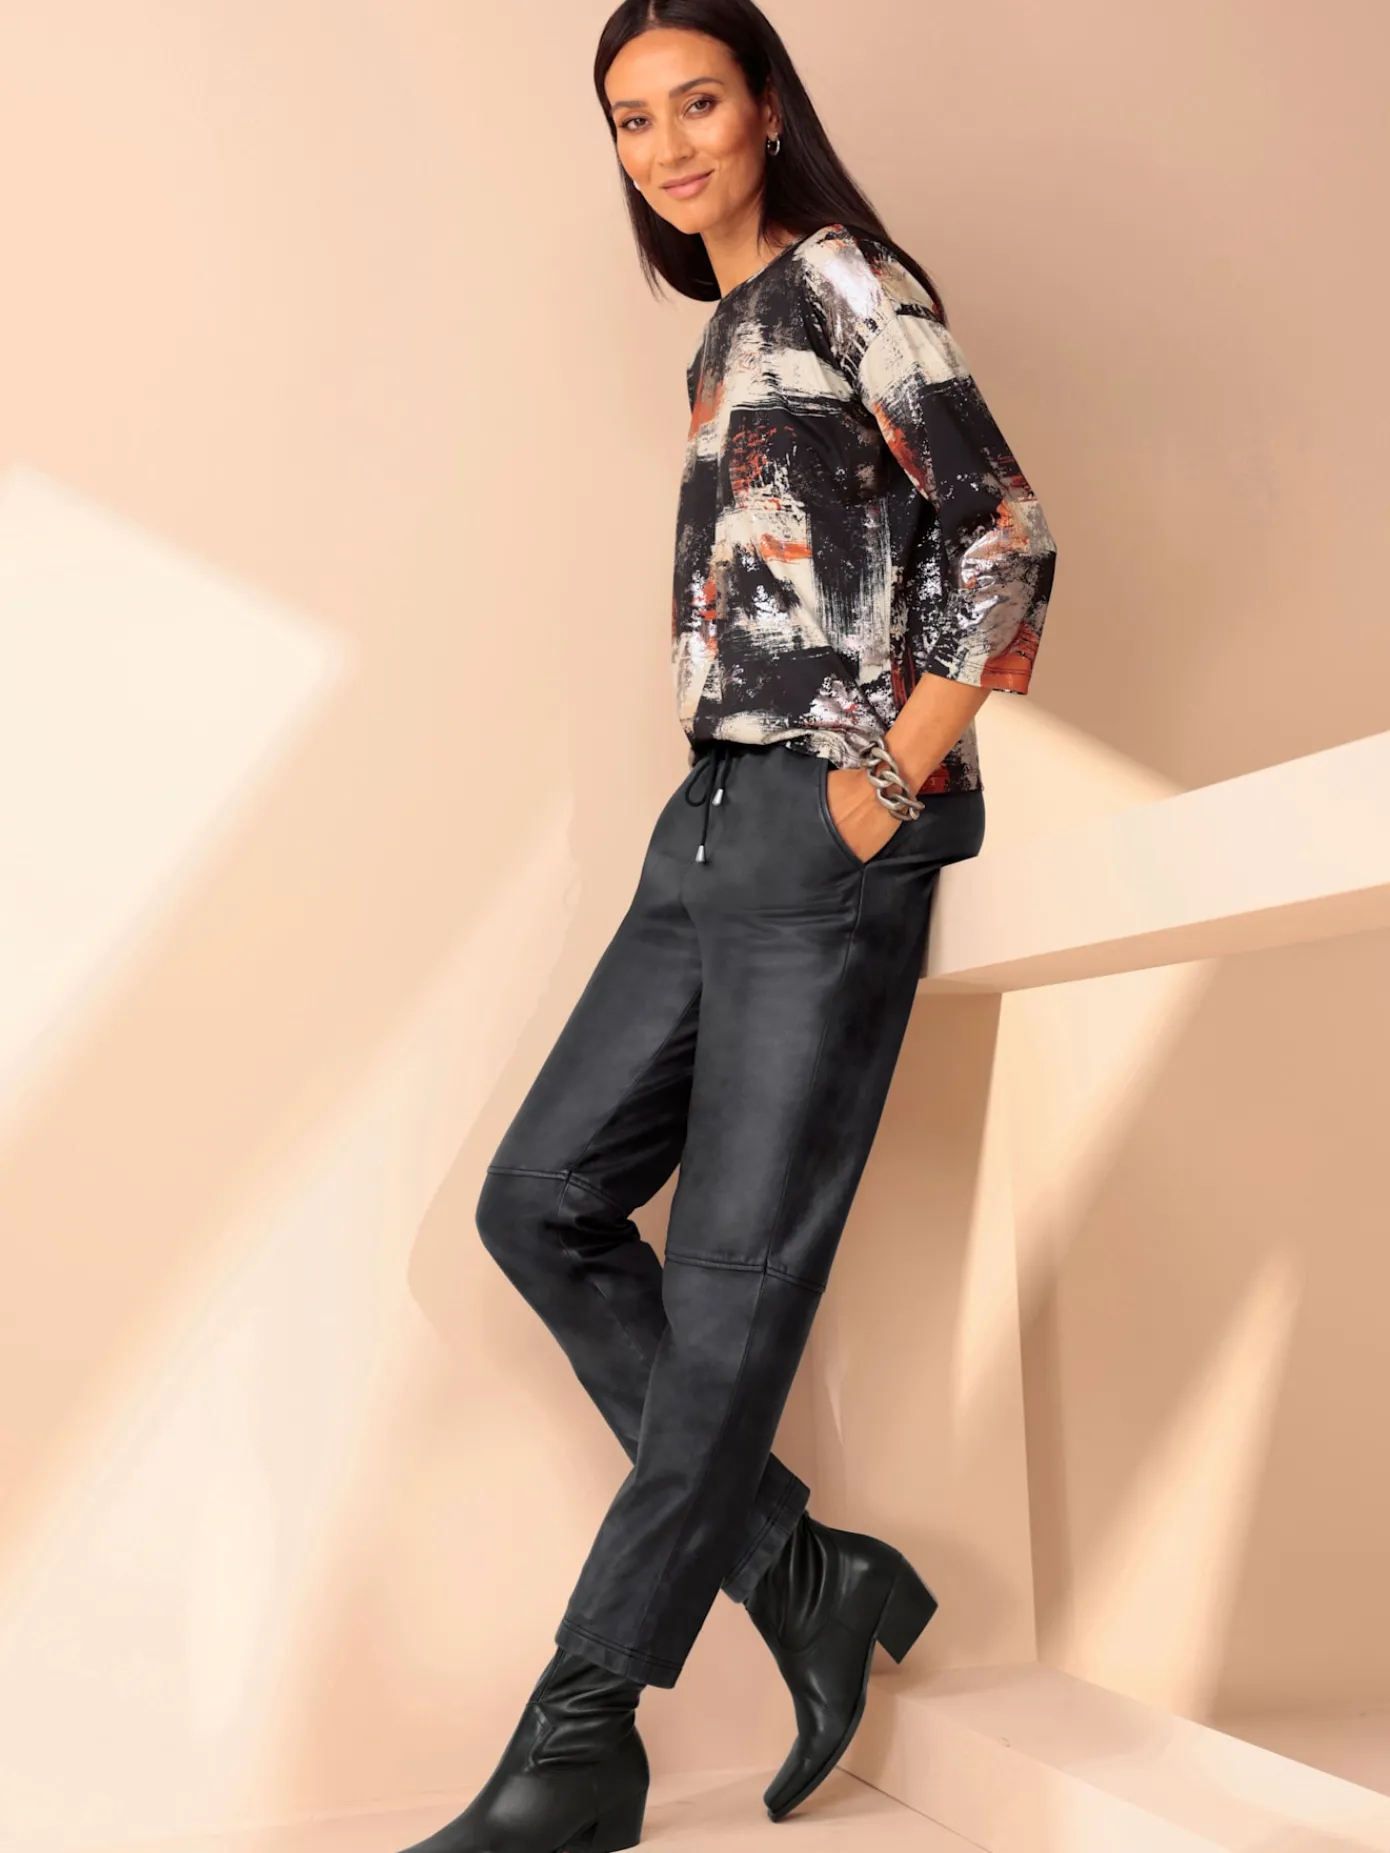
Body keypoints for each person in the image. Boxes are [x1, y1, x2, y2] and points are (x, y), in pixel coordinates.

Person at [397, 2, 1057, 1848]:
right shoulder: (726, 326)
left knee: (731, 1278)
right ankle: (804, 1572)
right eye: (632, 121)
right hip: (703, 823)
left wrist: (888, 779)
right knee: (540, 1197)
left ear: (765, 106)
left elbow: (1002, 527)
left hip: (824, 818)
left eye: (697, 102)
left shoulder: (847, 279)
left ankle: (582, 1730)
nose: (669, 146)